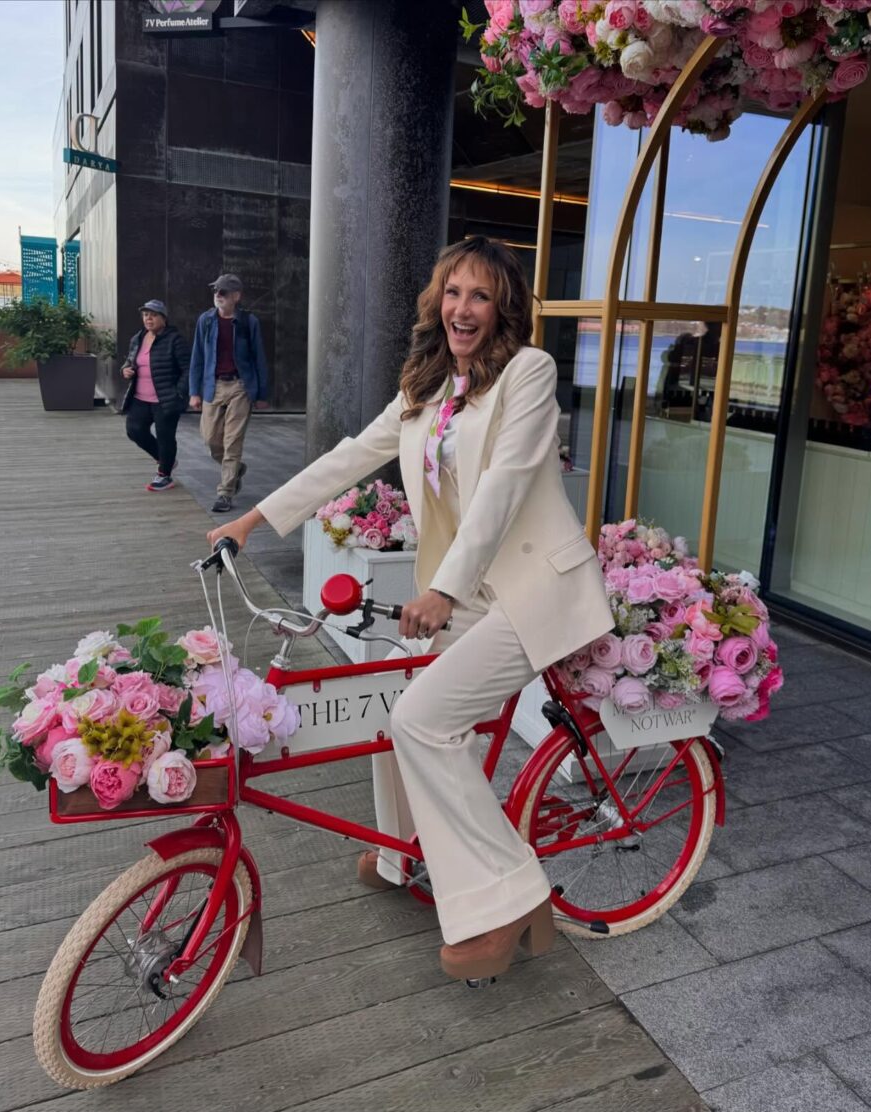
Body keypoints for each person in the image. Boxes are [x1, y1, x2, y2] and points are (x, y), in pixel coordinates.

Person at [207, 237, 613, 982]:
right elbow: (350, 455)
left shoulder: (528, 372)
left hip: (529, 593)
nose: (464, 308)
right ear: (437, 302)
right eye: (453, 292)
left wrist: (443, 590)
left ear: (503, 309)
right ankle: (404, 855)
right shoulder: (428, 384)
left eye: (481, 295)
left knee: (421, 720)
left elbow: (502, 490)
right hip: (467, 591)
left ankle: (507, 897)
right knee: (388, 699)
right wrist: (255, 519)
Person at [188, 273, 270, 514]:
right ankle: (237, 470)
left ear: (236, 296)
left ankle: (225, 492)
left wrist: (261, 394)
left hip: (240, 386)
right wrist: (194, 391)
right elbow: (197, 357)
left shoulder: (248, 322)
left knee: (232, 441)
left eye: (223, 292)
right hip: (212, 385)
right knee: (210, 439)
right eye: (216, 291)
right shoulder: (205, 320)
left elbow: (259, 358)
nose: (218, 295)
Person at [120, 299, 190, 492]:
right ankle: (166, 459)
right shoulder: (138, 338)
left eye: (153, 315)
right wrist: (125, 369)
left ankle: (164, 475)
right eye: (145, 315)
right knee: (134, 430)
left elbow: (188, 369)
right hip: (140, 397)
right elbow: (130, 361)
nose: (148, 319)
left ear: (163, 318)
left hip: (165, 399)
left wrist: (178, 393)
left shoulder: (175, 340)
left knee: (165, 436)